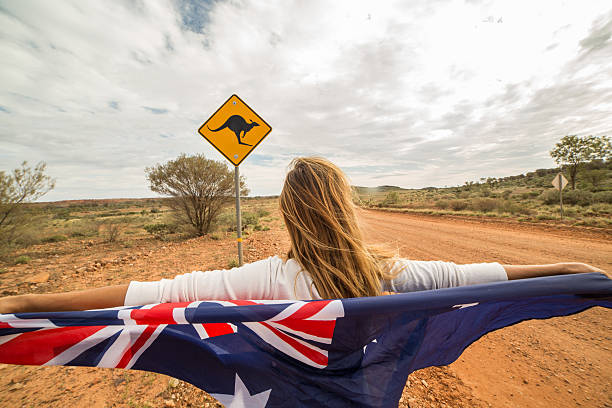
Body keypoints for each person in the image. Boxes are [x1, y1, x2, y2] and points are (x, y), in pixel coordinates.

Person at [0, 157, 606, 314]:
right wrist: (583, 275)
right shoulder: (396, 275)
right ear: (346, 208)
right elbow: (498, 277)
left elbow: (146, 292)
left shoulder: (261, 279)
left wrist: (23, 303)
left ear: (288, 216)